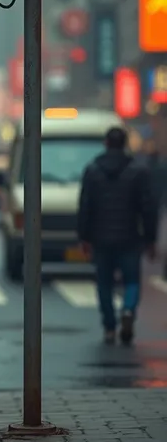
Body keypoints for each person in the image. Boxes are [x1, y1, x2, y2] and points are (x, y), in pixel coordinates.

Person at [77, 126, 157, 345]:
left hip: (101, 238)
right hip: (130, 237)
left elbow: (85, 206)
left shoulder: (92, 170)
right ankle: (128, 310)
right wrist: (150, 239)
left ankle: (110, 327)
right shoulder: (138, 171)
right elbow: (148, 208)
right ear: (125, 144)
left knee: (104, 284)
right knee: (131, 281)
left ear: (106, 143)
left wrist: (83, 236)